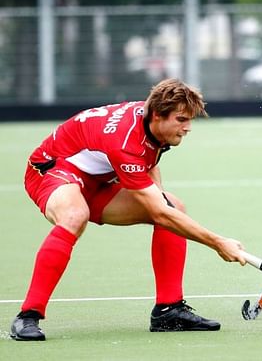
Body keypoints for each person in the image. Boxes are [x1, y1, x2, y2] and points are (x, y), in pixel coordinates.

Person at [10, 78, 246, 341]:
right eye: (181, 120)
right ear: (158, 115)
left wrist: (162, 202)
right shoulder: (125, 141)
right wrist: (218, 243)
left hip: (99, 180)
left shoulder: (151, 123)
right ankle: (27, 316)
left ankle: (169, 310)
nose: (187, 128)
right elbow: (153, 198)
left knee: (173, 207)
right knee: (75, 216)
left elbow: (152, 170)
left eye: (189, 120)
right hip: (53, 170)